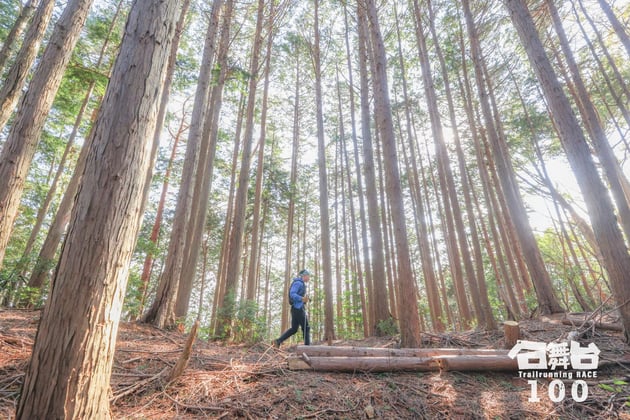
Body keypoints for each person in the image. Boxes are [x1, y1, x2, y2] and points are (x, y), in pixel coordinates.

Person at [274, 269, 311, 347]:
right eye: (308, 276)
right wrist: (301, 299)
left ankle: (278, 341)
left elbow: (299, 296)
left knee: (294, 329)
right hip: (298, 309)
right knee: (306, 327)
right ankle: (307, 348)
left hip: (295, 308)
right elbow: (292, 294)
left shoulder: (301, 283)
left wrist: (305, 299)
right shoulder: (298, 283)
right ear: (304, 276)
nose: (309, 278)